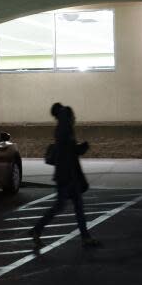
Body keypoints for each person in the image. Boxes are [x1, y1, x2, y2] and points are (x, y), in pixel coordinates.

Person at [31, 103, 100, 249]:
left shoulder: (63, 130)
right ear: (66, 116)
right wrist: (82, 147)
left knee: (74, 206)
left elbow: (69, 150)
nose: (75, 118)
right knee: (62, 206)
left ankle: (85, 237)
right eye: (73, 115)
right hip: (67, 176)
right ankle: (37, 229)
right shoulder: (65, 129)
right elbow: (71, 151)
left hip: (67, 175)